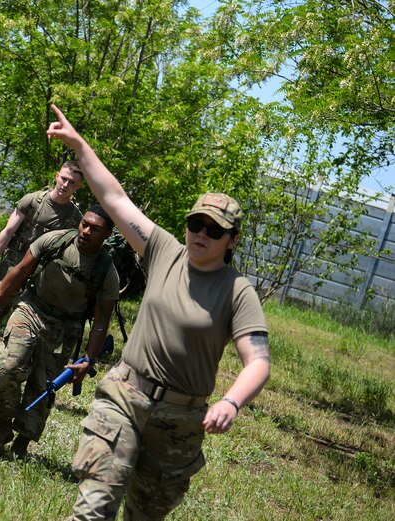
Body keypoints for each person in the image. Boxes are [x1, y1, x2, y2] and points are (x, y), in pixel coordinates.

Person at [46, 104, 271, 520]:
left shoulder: (238, 292)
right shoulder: (165, 250)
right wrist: (79, 146)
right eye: (196, 224)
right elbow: (114, 197)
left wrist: (233, 402)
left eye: (214, 230)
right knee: (93, 509)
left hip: (180, 420)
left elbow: (257, 361)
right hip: (125, 395)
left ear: (232, 240)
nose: (201, 234)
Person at [0, 205, 119, 459]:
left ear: (107, 235)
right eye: (85, 224)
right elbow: (20, 271)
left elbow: (101, 320)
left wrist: (88, 359)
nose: (86, 231)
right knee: (9, 367)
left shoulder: (106, 272)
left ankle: (23, 442)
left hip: (65, 329)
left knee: (43, 388)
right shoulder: (55, 241)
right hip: (31, 309)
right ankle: (1, 430)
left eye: (95, 229)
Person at [0, 161, 85, 379]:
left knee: (25, 327)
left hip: (40, 278)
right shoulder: (33, 201)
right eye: (63, 178)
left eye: (72, 182)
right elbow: (8, 231)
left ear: (78, 187)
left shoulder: (75, 219)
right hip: (12, 268)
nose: (65, 184)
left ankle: (6, 374)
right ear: (56, 176)